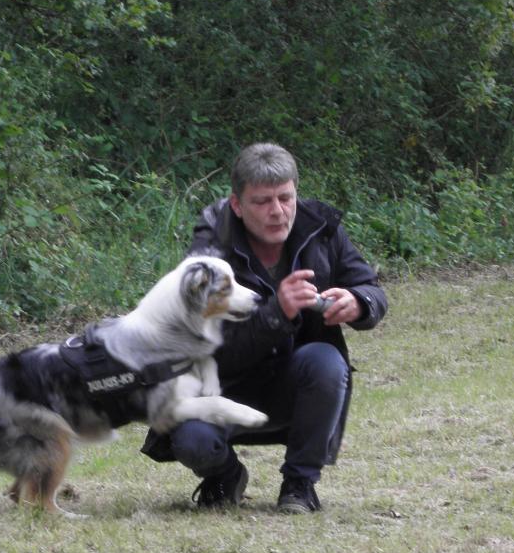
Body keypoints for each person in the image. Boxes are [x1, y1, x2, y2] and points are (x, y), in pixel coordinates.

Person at [141, 142, 388, 513]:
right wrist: (277, 313)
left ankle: (300, 484)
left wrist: (358, 302)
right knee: (192, 440)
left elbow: (372, 290)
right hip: (223, 387)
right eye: (262, 201)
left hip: (295, 383)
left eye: (285, 198)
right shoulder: (209, 251)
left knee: (326, 360)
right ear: (237, 206)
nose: (278, 211)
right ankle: (225, 475)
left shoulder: (321, 229)